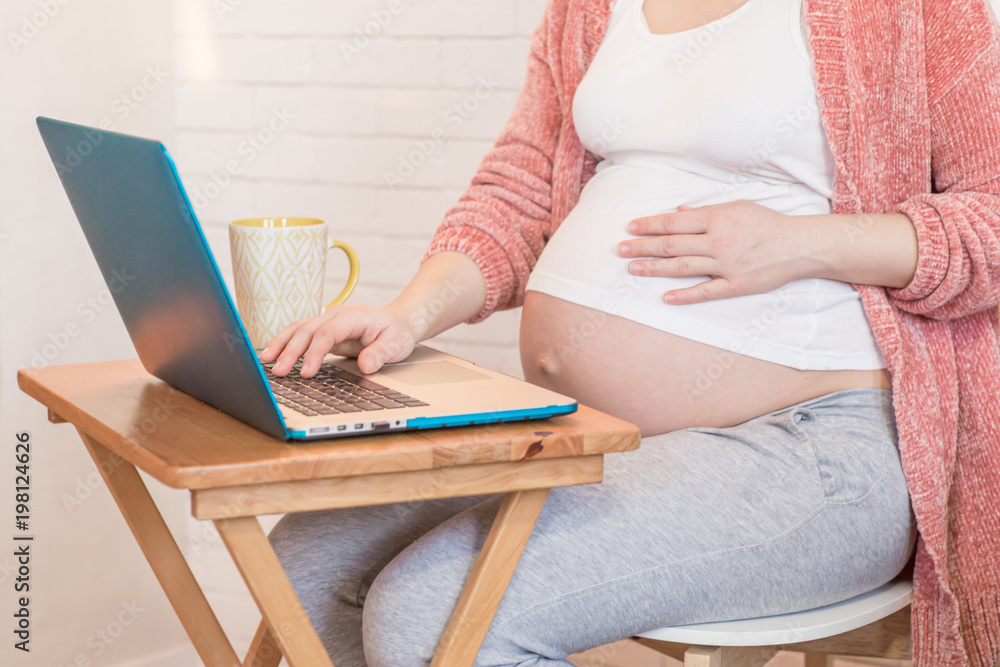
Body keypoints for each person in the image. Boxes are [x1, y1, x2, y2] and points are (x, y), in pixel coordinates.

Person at [259, 0, 1000, 664]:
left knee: (434, 610)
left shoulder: (914, 10)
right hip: (594, 439)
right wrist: (405, 314)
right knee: (309, 562)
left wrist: (805, 242)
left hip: (817, 446)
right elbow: (519, 188)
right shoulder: (588, 8)